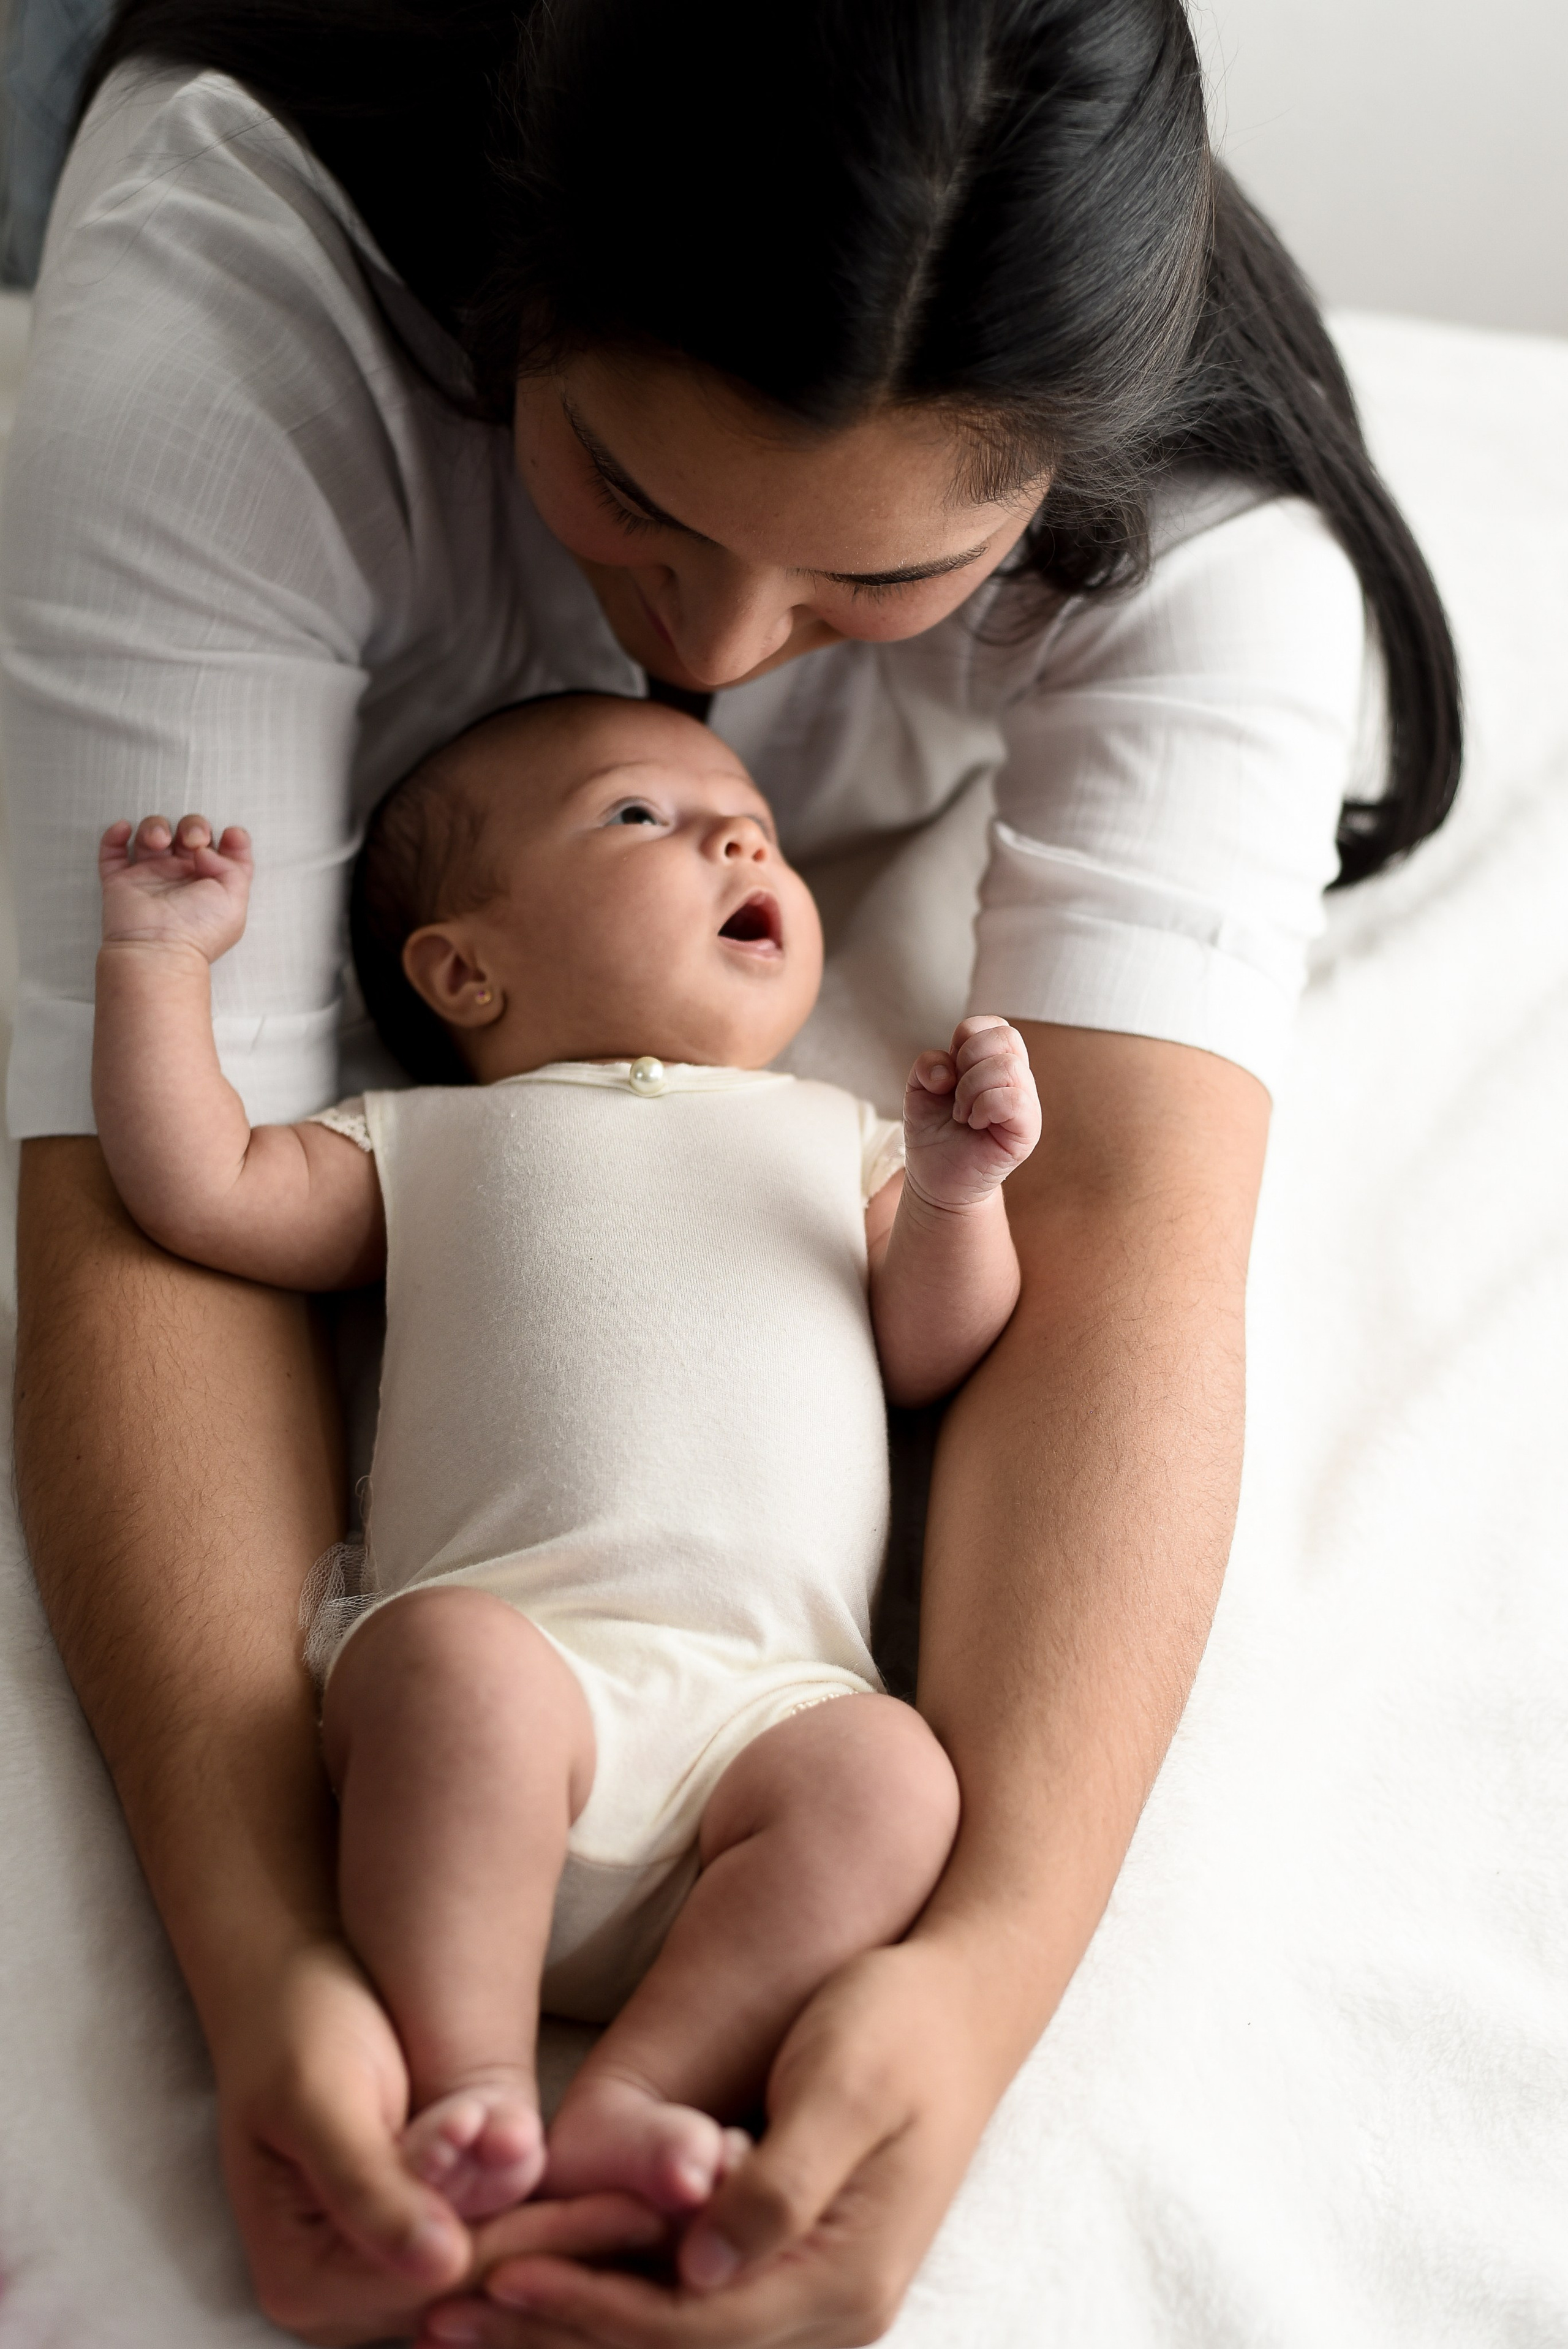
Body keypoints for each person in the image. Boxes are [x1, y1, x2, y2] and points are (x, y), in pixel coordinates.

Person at [0, 1, 1461, 2343]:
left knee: (889, 1786)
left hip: (745, 1701)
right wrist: (263, 1956)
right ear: (520, 292)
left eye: (882, 586)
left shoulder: (1201, 532)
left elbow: (1126, 1246)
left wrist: (973, 1987)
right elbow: (144, 1199)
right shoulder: (245, 302)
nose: (714, 661)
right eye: (635, 497)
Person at [89, 690, 1041, 2238]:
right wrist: (154, 967)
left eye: (755, 826)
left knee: (894, 1779)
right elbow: (198, 1188)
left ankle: (642, 2092)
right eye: (637, 816)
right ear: (465, 966)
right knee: (451, 1665)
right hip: (497, 1701)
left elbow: (934, 1348)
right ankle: (471, 2077)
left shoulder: (840, 1135)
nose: (738, 835)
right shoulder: (426, 1138)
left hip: (768, 1717)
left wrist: (955, 1194)